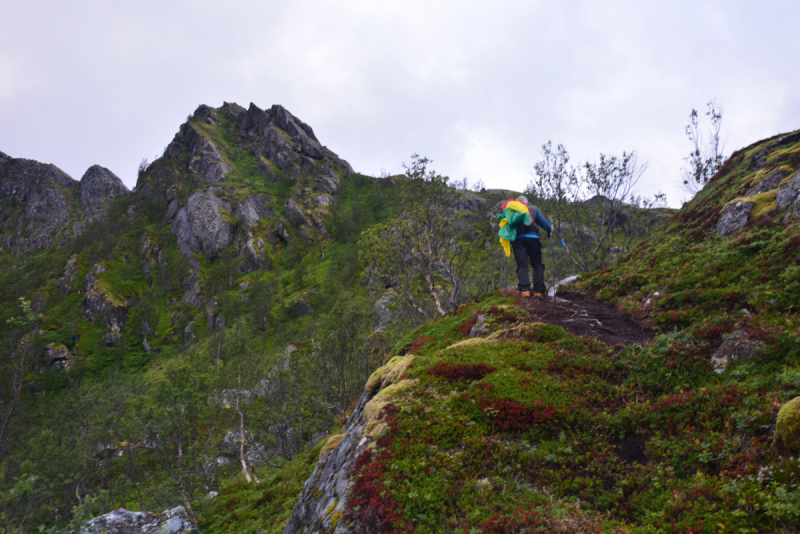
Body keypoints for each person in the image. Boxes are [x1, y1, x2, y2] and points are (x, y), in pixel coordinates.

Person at [511, 195, 552, 299]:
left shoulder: (512, 212)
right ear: (526, 203)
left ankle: (525, 292)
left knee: (522, 265)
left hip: (518, 240)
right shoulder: (533, 210)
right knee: (537, 264)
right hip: (532, 238)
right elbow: (546, 225)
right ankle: (538, 292)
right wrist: (550, 229)